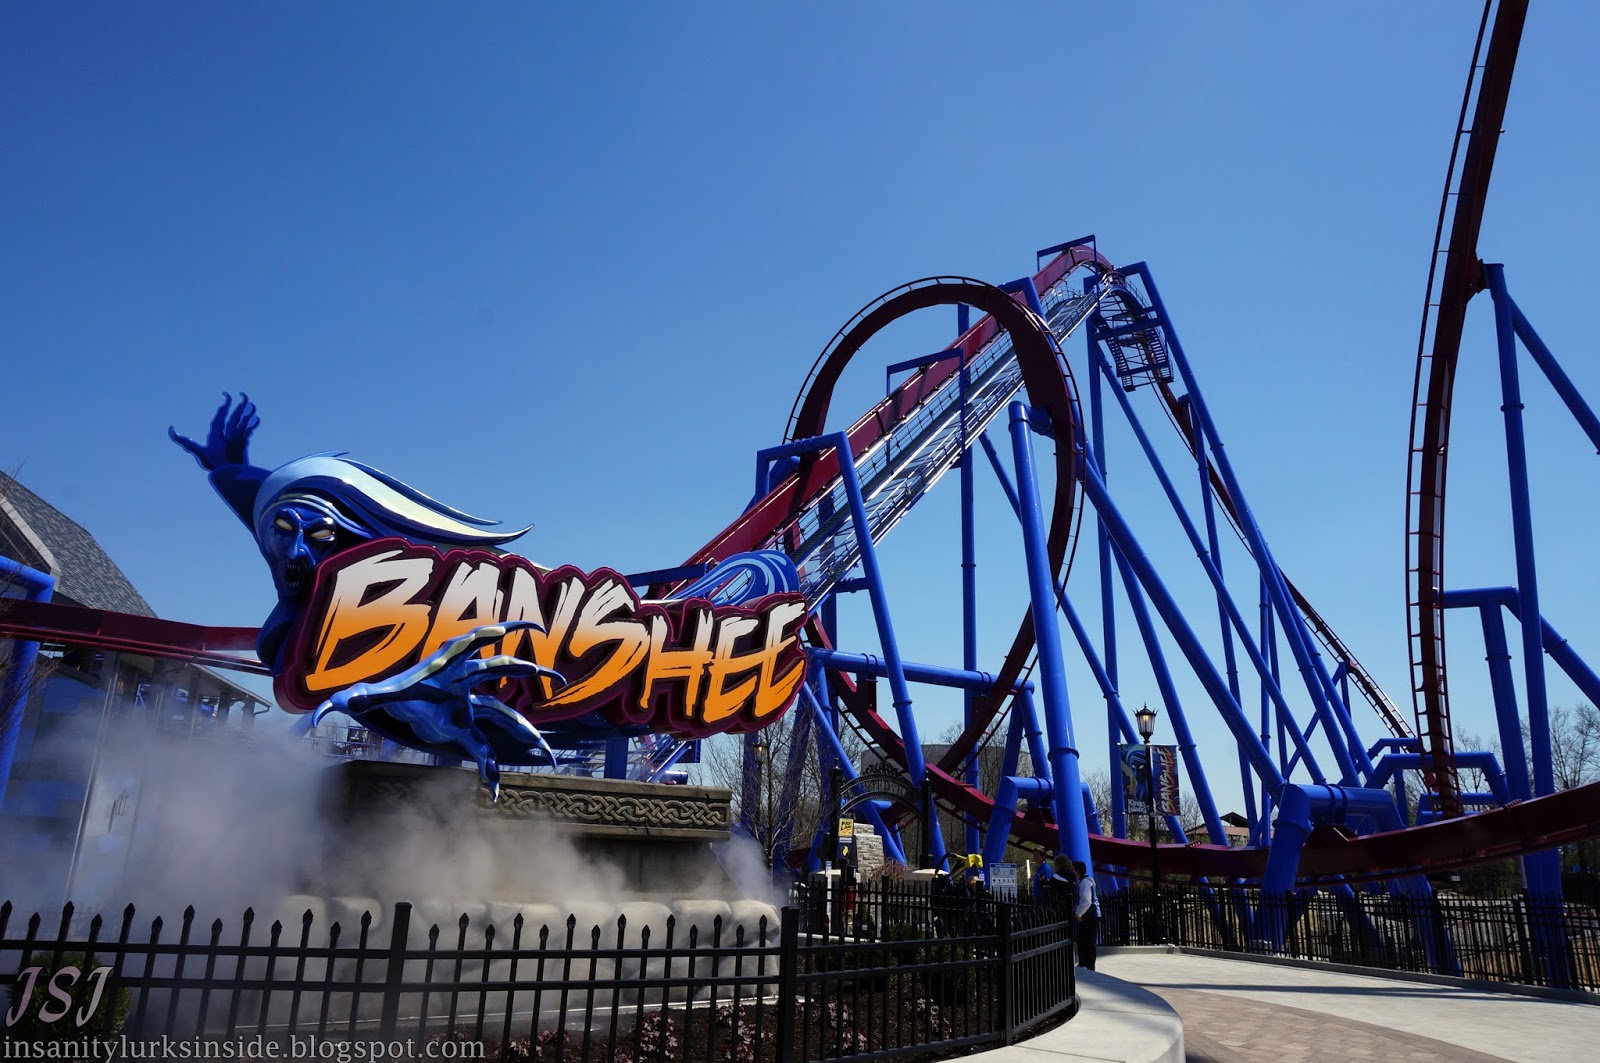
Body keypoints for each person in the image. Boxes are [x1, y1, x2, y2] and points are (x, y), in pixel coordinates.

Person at [1073, 860, 1100, 970]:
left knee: (1085, 941)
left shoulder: (1084, 882)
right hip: (1092, 915)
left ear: (1077, 871)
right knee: (1087, 941)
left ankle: (1086, 964)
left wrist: (1078, 913)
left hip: (1089, 915)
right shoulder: (1088, 880)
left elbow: (1086, 901)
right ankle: (1087, 964)